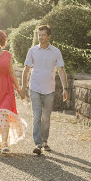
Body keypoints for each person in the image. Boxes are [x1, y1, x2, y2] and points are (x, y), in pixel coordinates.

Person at [22, 25, 69, 155]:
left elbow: (61, 70)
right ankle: (37, 144)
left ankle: (44, 141)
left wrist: (65, 88)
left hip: (49, 89)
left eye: (43, 35)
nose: (41, 37)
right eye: (39, 35)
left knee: (46, 117)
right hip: (35, 87)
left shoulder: (56, 52)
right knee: (37, 116)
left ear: (49, 36)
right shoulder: (32, 50)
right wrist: (22, 87)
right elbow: (26, 70)